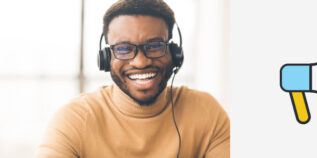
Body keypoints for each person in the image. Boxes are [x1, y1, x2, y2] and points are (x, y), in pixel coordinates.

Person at [37, 0, 230, 157]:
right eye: (123, 48)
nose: (140, 62)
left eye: (155, 46)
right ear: (106, 57)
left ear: (174, 53)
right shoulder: (73, 119)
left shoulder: (207, 113)